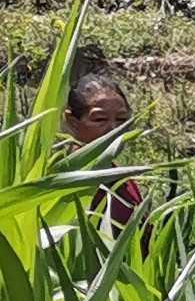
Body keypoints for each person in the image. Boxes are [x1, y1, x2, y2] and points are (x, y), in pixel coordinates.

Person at [62, 54, 146, 226]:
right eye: (100, 119)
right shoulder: (62, 181)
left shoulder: (124, 182)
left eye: (122, 120)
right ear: (73, 121)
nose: (114, 129)